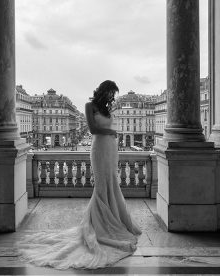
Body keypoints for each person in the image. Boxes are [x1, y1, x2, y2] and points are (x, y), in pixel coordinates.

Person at [19, 80, 141, 269]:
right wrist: (111, 131)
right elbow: (93, 129)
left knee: (112, 182)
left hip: (110, 148)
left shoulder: (108, 109)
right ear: (103, 90)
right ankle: (99, 223)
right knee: (101, 184)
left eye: (113, 95)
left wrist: (112, 134)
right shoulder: (89, 106)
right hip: (100, 147)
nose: (112, 97)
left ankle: (115, 218)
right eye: (110, 93)